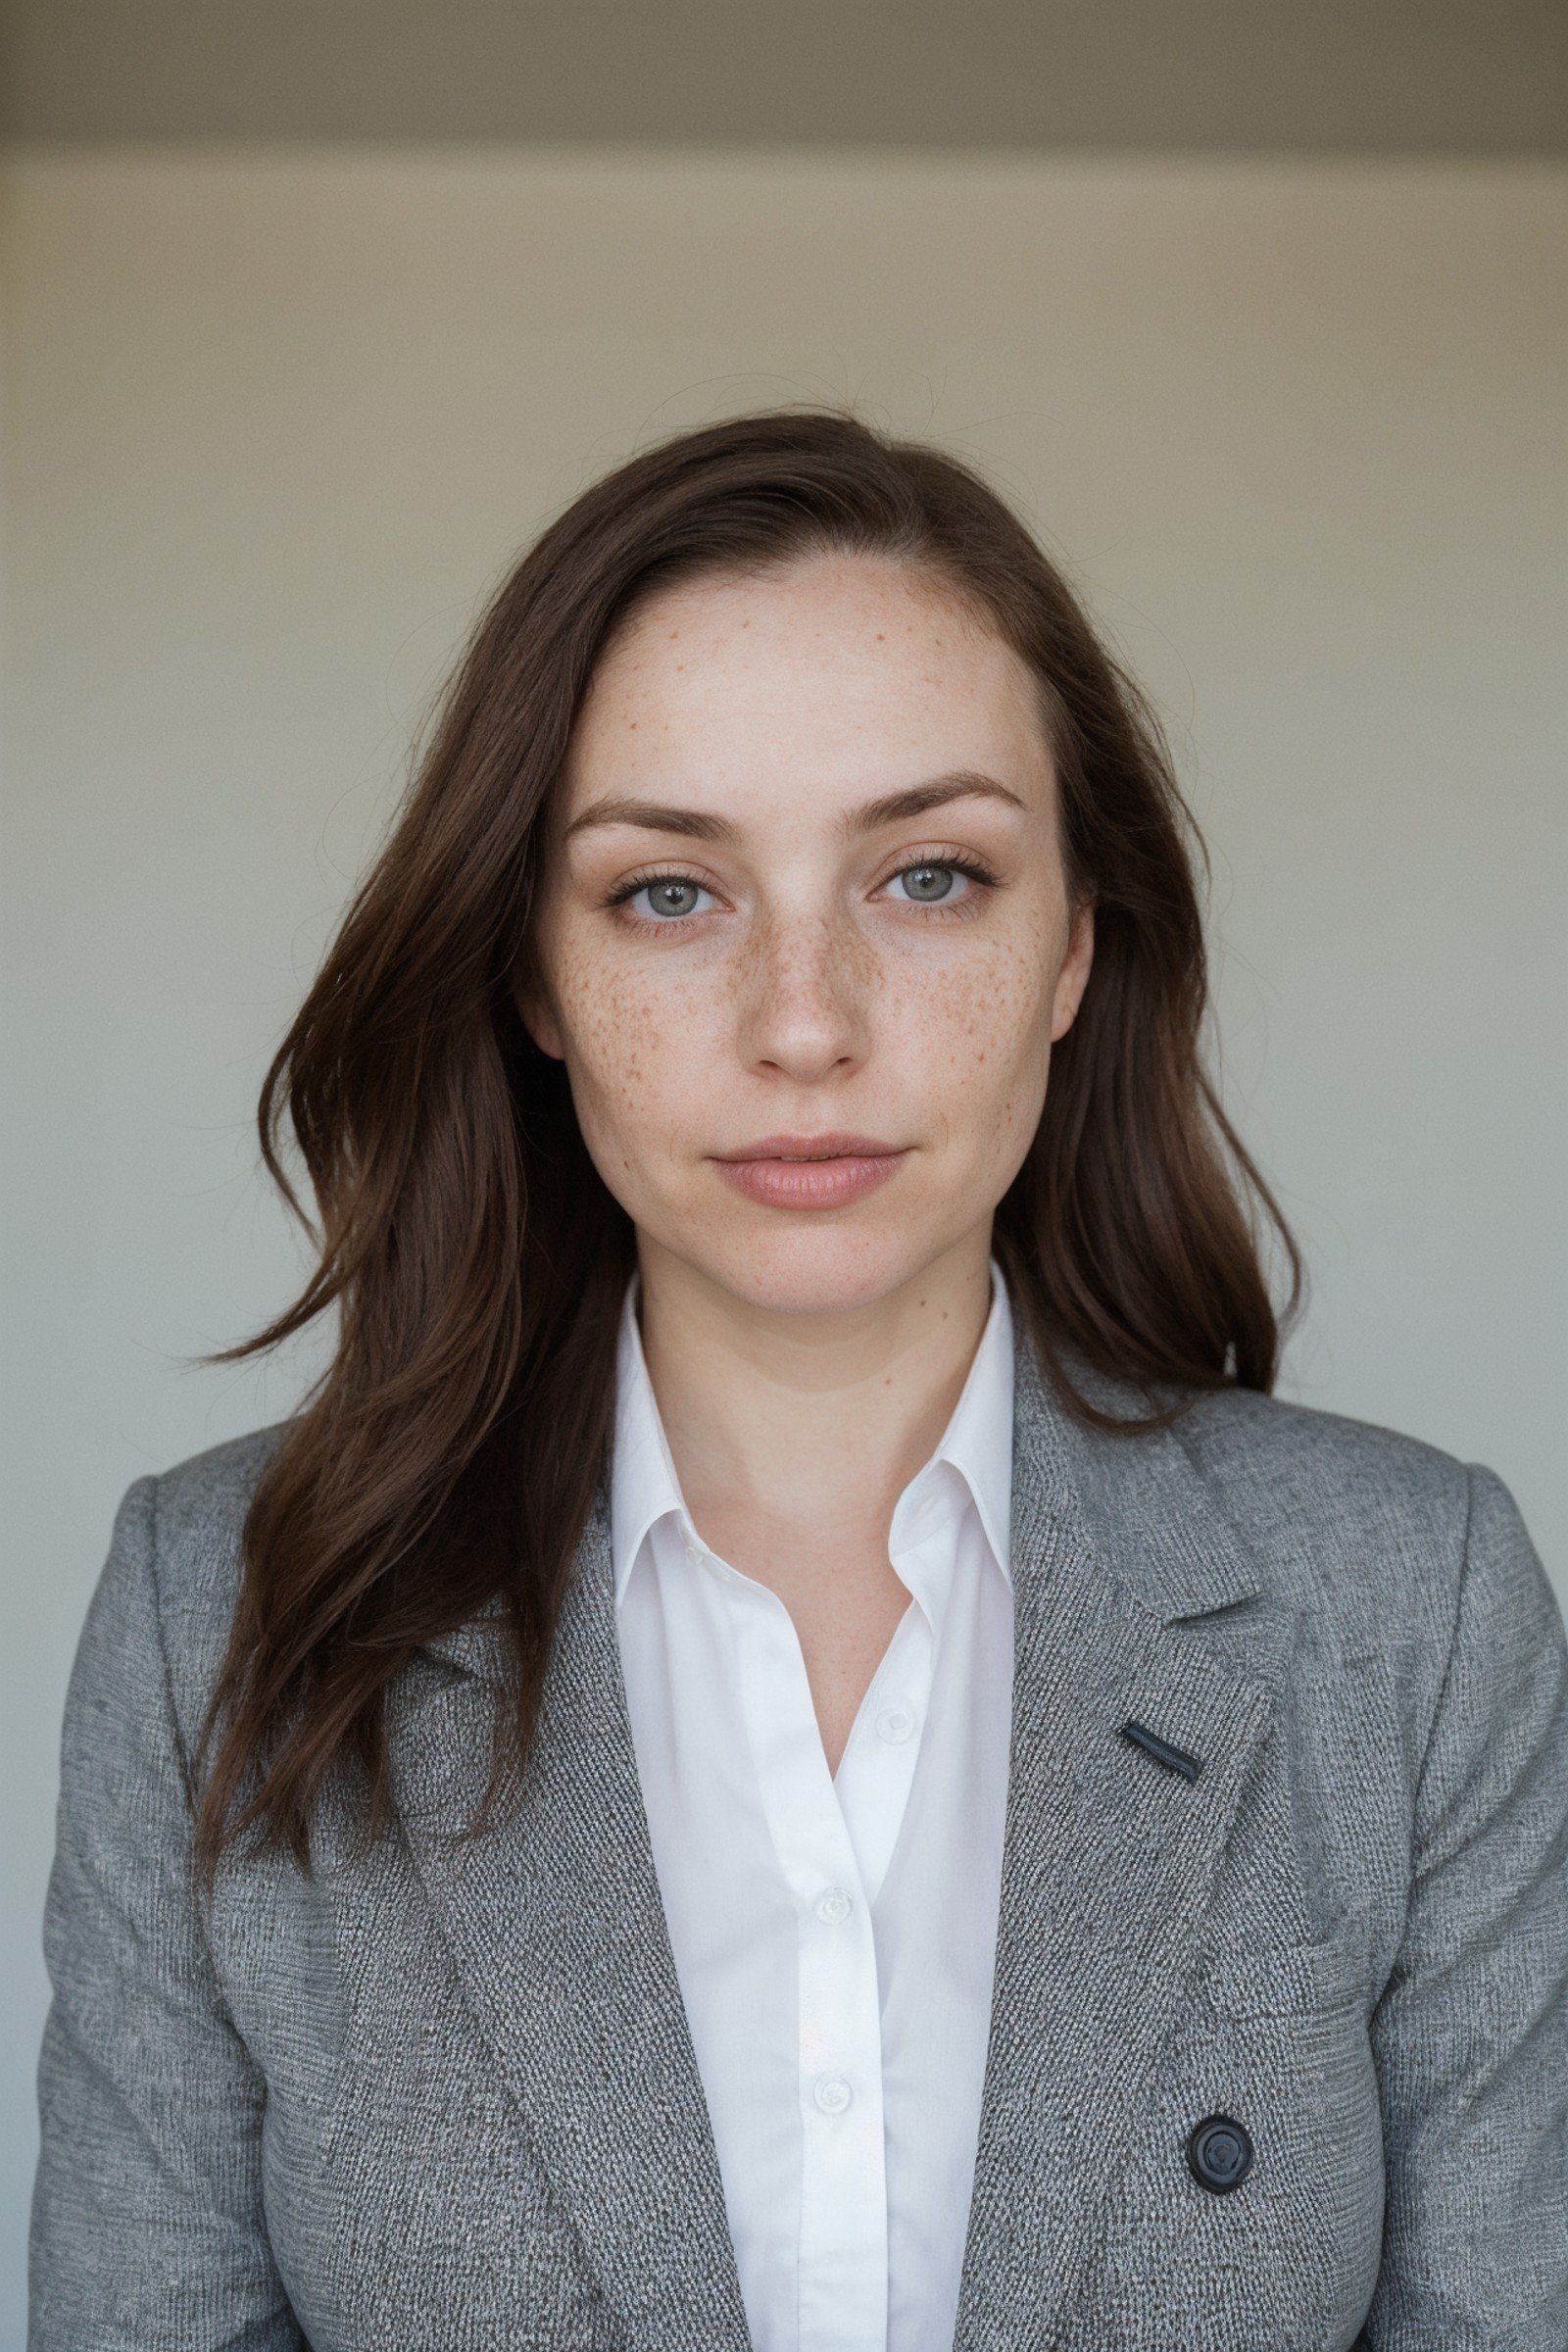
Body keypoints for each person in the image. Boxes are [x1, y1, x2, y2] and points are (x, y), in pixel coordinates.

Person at [28, 409, 1568, 2352]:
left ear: (1077, 939)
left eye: (925, 877)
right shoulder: (214, 1614)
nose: (802, 1025)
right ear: (529, 975)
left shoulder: (1405, 1607)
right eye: (667, 893)